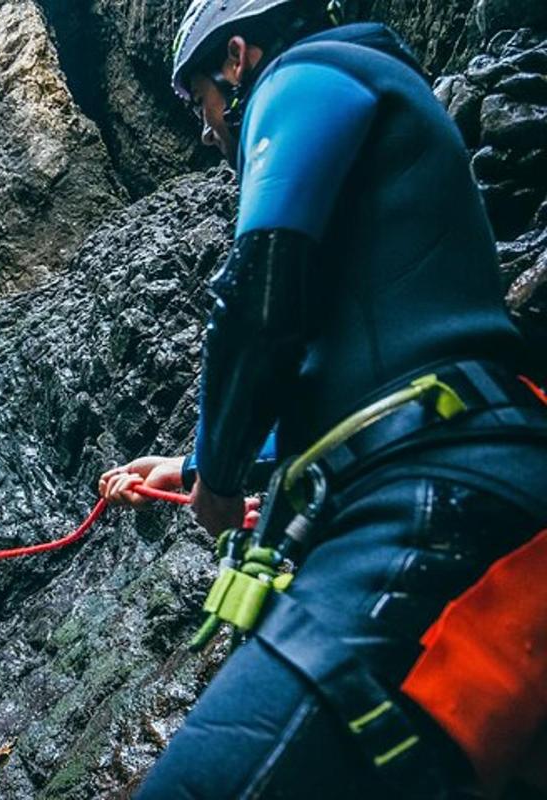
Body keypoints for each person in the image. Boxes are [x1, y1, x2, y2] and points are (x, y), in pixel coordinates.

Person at [99, 1, 547, 797]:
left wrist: (223, 476)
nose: (206, 131)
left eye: (198, 100)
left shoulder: (307, 73)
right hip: (469, 472)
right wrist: (194, 461)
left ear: (237, 59)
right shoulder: (381, 121)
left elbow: (260, 288)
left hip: (438, 489)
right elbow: (357, 367)